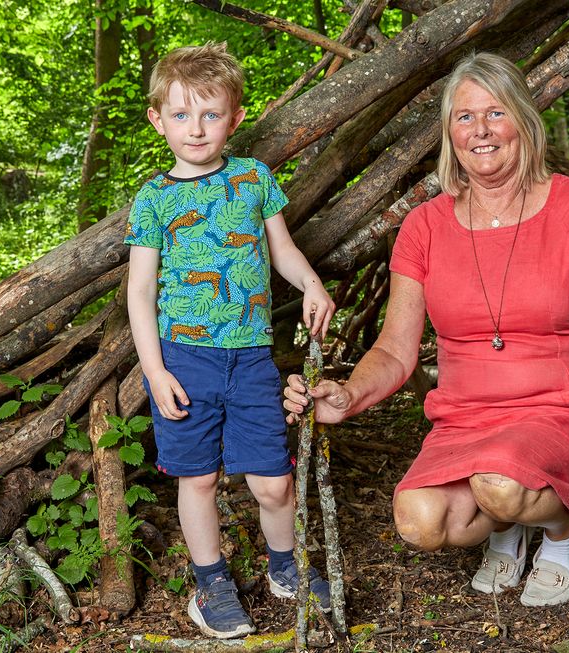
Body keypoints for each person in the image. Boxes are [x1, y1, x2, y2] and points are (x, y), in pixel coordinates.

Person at [283, 52, 569, 608]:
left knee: (501, 482)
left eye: (495, 114)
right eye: (464, 118)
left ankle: (562, 534)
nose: (480, 131)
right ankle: (507, 525)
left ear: (524, 122)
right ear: (449, 133)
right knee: (418, 520)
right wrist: (347, 395)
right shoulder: (424, 227)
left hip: (563, 408)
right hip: (467, 418)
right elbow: (395, 348)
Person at [125, 42, 336, 639]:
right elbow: (139, 292)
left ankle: (285, 568)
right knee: (197, 478)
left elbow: (282, 250)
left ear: (236, 118)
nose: (197, 129)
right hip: (184, 359)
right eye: (182, 114)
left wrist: (312, 284)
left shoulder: (253, 179)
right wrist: (155, 371)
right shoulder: (155, 198)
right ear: (158, 119)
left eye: (211, 114)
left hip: (249, 358)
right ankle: (211, 582)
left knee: (273, 480)